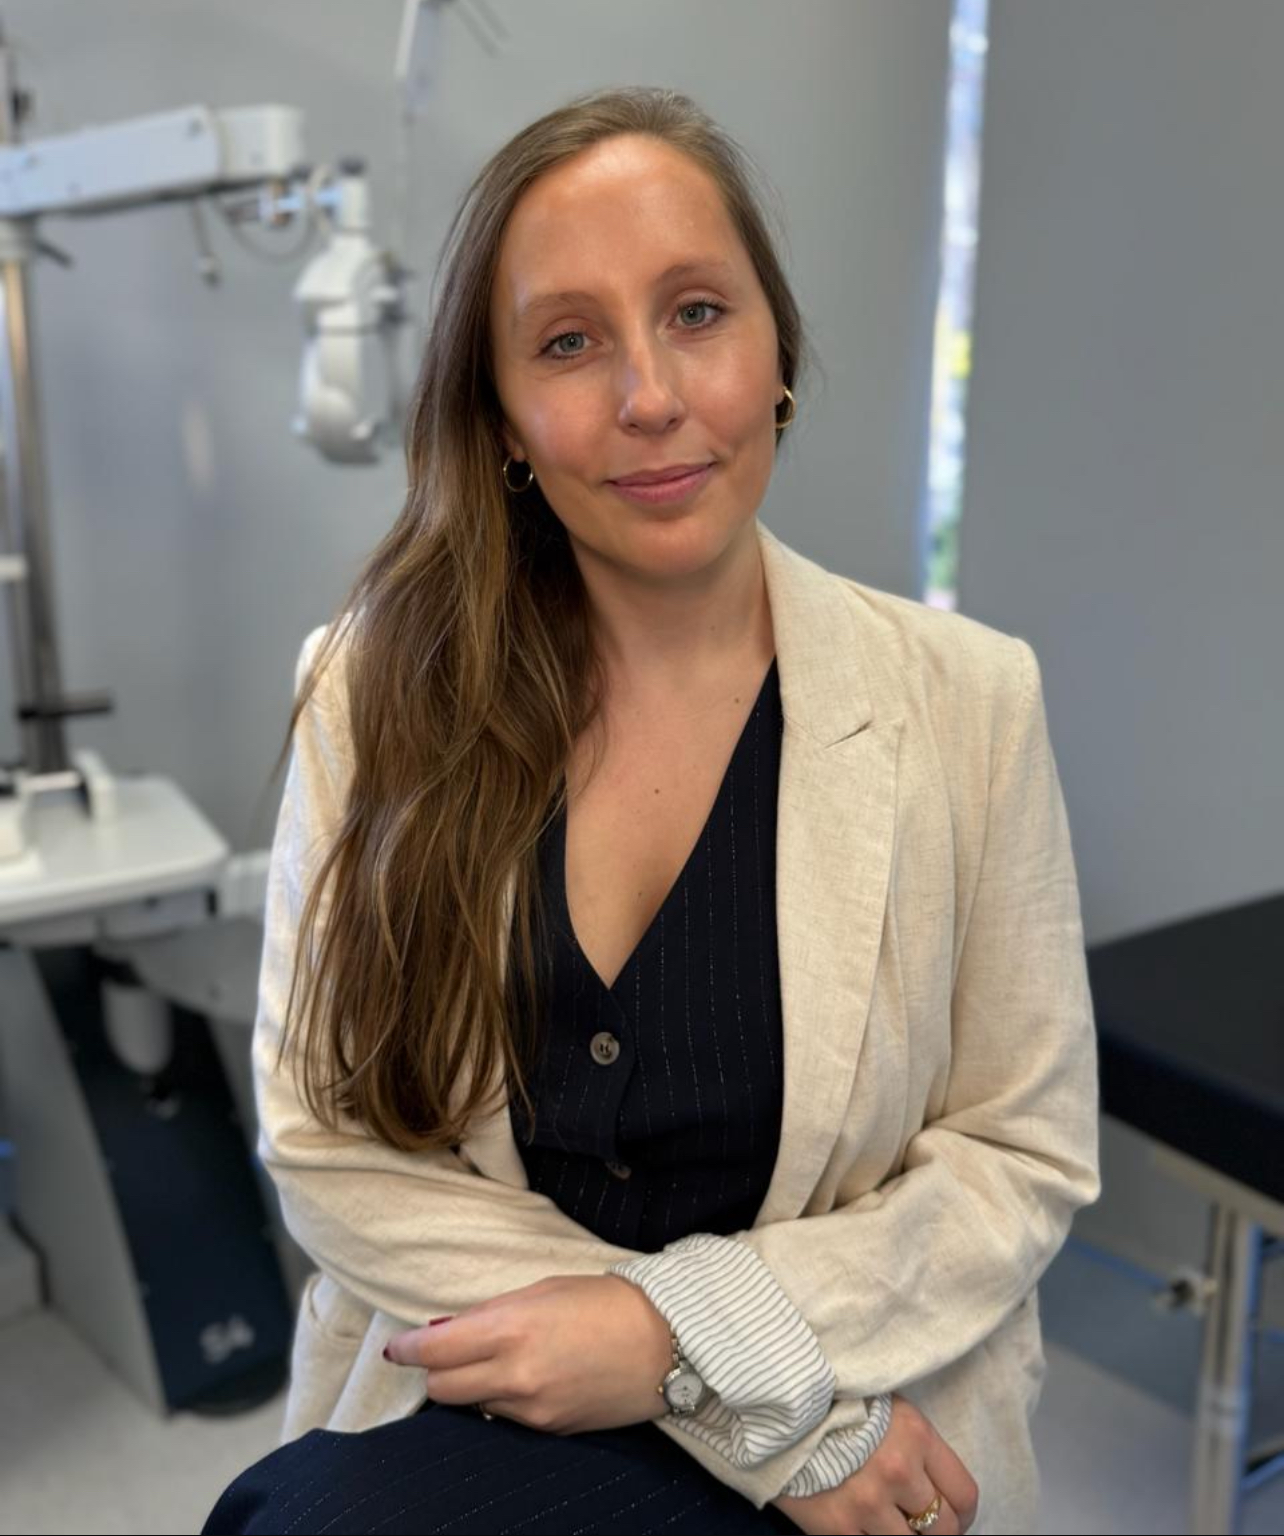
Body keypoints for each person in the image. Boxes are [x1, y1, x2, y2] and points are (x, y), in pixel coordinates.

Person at [202, 85, 1100, 1536]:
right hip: (530, 1392)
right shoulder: (374, 693)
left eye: (696, 313)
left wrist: (673, 1344)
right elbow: (324, 1140)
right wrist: (755, 1410)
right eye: (568, 341)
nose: (651, 396)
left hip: (868, 1390)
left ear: (778, 351)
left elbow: (1021, 1154)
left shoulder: (968, 704)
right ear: (502, 417)